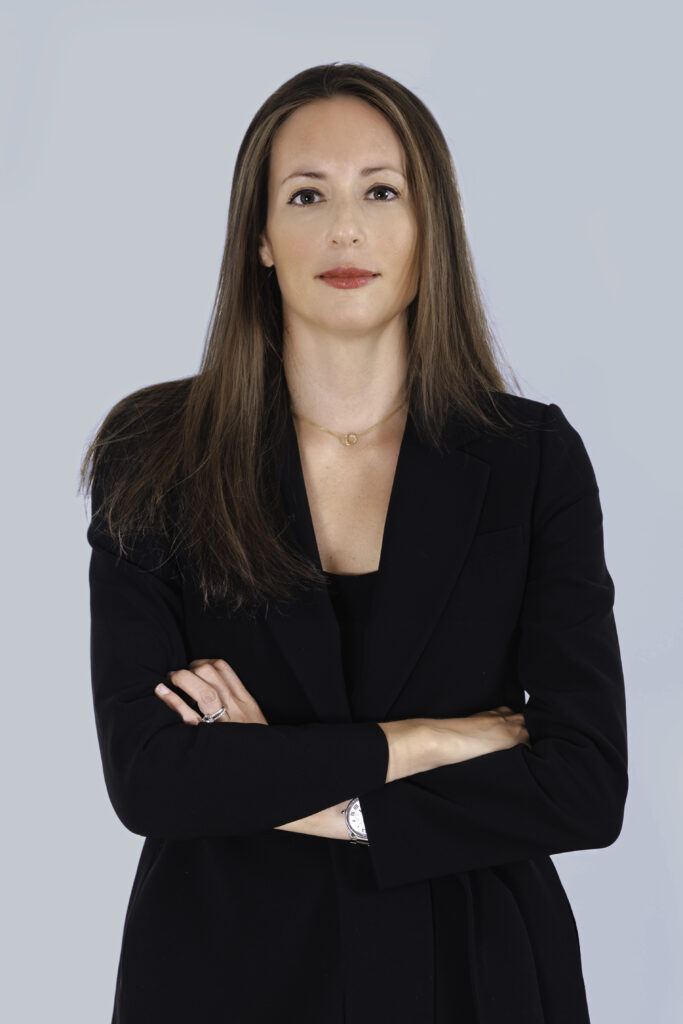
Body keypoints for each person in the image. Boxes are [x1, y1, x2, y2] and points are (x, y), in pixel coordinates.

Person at [80, 61, 628, 1024]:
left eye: (380, 191)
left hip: (474, 971)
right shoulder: (158, 452)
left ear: (428, 227)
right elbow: (150, 779)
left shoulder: (529, 458)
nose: (345, 228)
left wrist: (284, 785)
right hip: (220, 972)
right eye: (307, 195)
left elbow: (582, 785)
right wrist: (430, 741)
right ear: (259, 236)